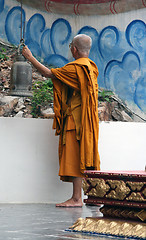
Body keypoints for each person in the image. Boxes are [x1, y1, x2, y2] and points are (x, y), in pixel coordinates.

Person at [22, 34, 100, 207]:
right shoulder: (91, 67)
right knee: (85, 155)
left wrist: (30, 57)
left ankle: (77, 198)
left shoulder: (75, 68)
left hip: (75, 122)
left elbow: (48, 73)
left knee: (76, 157)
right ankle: (93, 195)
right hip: (88, 121)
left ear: (74, 49)